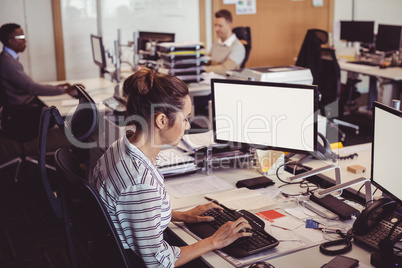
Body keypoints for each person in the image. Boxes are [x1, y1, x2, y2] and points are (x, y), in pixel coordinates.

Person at [90, 68, 252, 267]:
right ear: (161, 120)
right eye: (185, 118)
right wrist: (215, 240)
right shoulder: (141, 182)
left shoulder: (120, 147)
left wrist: (180, 216)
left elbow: (132, 213)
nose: (188, 125)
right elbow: (160, 262)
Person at [0, 23, 78, 137]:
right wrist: (64, 91)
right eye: (21, 37)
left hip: (17, 109)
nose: (25, 40)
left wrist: (57, 87)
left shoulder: (6, 58)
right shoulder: (8, 63)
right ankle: (76, 150)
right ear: (10, 41)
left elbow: (28, 85)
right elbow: (32, 88)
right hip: (21, 113)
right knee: (72, 113)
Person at [204, 9, 245, 75]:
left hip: (226, 82)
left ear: (229, 25)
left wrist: (202, 69)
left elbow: (225, 69)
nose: (216, 29)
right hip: (210, 79)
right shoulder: (216, 44)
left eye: (220, 26)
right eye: (215, 25)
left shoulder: (238, 47)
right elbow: (208, 61)